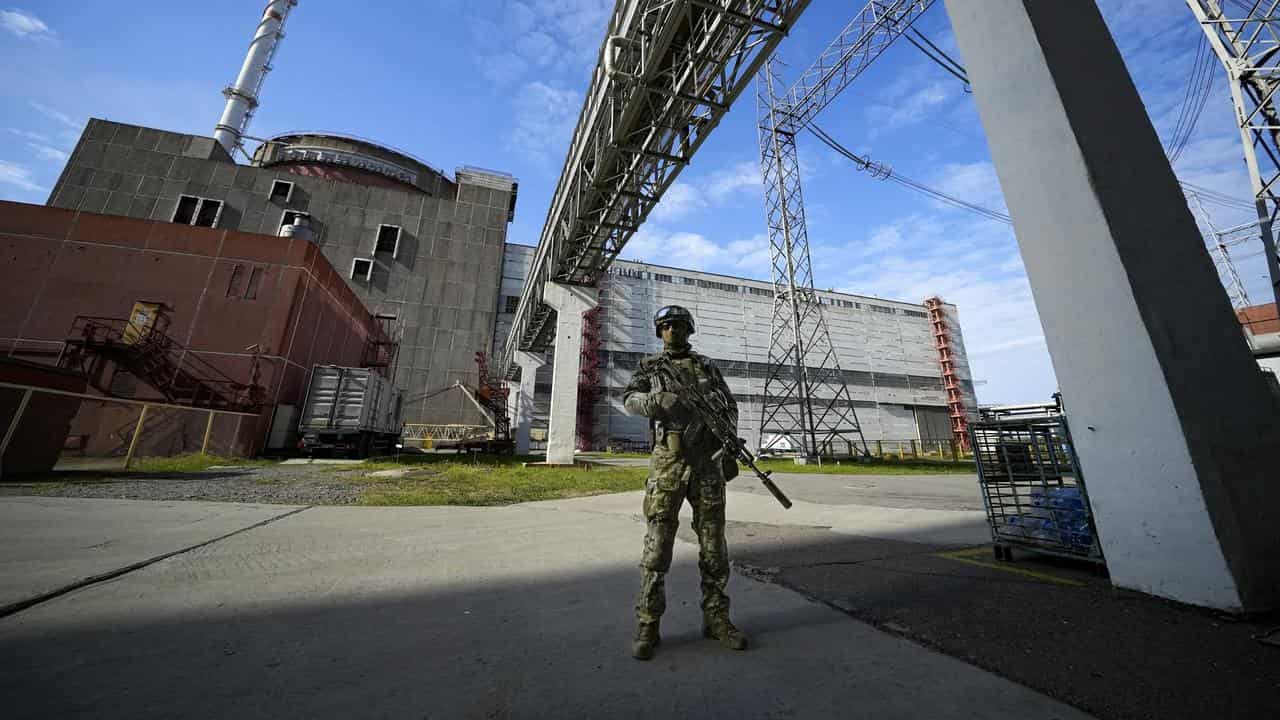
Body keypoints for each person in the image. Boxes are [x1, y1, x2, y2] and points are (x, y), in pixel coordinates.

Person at [622, 305, 748, 661]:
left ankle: (717, 618)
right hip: (668, 464)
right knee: (658, 545)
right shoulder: (650, 367)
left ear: (689, 329)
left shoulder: (707, 366)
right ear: (659, 332)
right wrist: (654, 401)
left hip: (707, 464)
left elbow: (729, 408)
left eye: (678, 325)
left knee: (713, 547)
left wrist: (728, 446)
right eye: (665, 326)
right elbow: (628, 399)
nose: (672, 331)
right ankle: (648, 623)